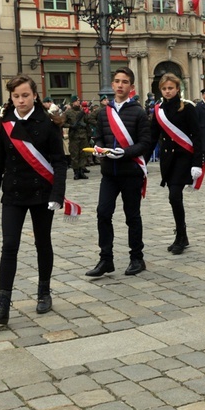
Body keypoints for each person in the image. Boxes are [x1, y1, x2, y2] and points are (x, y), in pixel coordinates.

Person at [0, 74, 67, 325]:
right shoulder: (3, 125)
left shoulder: (49, 123)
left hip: (42, 194)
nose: (21, 100)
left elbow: (59, 163)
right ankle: (2, 305)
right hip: (13, 194)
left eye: (25, 95)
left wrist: (57, 195)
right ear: (10, 98)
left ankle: (43, 292)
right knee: (9, 245)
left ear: (34, 96)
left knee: (43, 243)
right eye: (16, 96)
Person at [86, 67, 152, 278]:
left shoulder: (139, 112)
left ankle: (137, 257)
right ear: (112, 85)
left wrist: (123, 152)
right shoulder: (104, 112)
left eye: (125, 82)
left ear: (131, 87)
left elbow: (145, 143)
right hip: (109, 173)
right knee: (103, 213)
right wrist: (99, 149)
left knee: (132, 216)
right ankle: (106, 259)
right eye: (117, 81)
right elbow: (98, 136)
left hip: (130, 171)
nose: (120, 85)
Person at [150, 73, 203, 255]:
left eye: (170, 88)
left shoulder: (187, 108)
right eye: (164, 88)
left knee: (174, 196)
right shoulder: (158, 110)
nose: (167, 91)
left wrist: (197, 162)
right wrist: (141, 159)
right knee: (174, 198)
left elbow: (197, 135)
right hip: (168, 160)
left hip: (183, 158)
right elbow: (152, 137)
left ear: (177, 89)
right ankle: (182, 236)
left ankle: (181, 234)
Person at [63, 95, 90, 180]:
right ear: (73, 102)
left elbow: (87, 121)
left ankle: (82, 171)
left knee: (83, 154)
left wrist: (85, 124)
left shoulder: (82, 111)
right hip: (74, 136)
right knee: (74, 155)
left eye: (79, 100)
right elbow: (62, 123)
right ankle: (76, 172)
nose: (79, 102)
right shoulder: (68, 113)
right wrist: (71, 126)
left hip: (83, 135)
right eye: (77, 100)